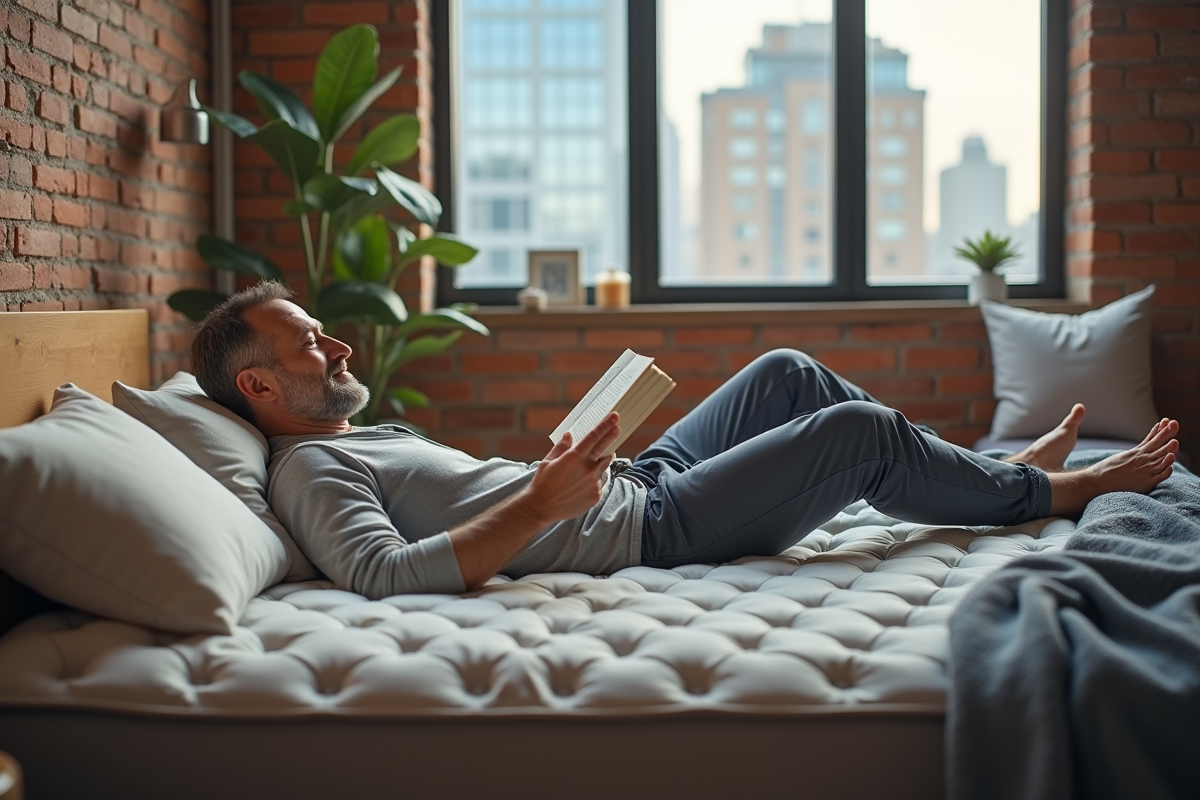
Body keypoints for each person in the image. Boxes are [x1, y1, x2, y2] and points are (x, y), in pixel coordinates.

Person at [191, 282, 1181, 598]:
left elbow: (455, 508)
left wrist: (557, 469)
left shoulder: (355, 435)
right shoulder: (311, 465)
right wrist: (541, 500)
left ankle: (989, 470)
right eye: (309, 343)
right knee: (858, 430)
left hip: (631, 481)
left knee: (787, 370)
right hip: (650, 526)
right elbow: (379, 576)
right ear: (259, 385)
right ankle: (1042, 489)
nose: (337, 342)